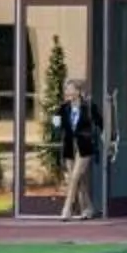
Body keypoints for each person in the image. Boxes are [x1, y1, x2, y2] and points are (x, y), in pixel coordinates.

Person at [52, 78, 104, 221]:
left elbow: (101, 123)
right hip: (69, 145)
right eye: (66, 89)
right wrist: (55, 123)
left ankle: (67, 208)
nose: (67, 91)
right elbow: (56, 124)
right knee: (77, 179)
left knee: (75, 177)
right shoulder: (64, 107)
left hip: (84, 144)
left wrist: (108, 137)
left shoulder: (88, 106)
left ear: (78, 91)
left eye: (70, 88)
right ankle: (88, 208)